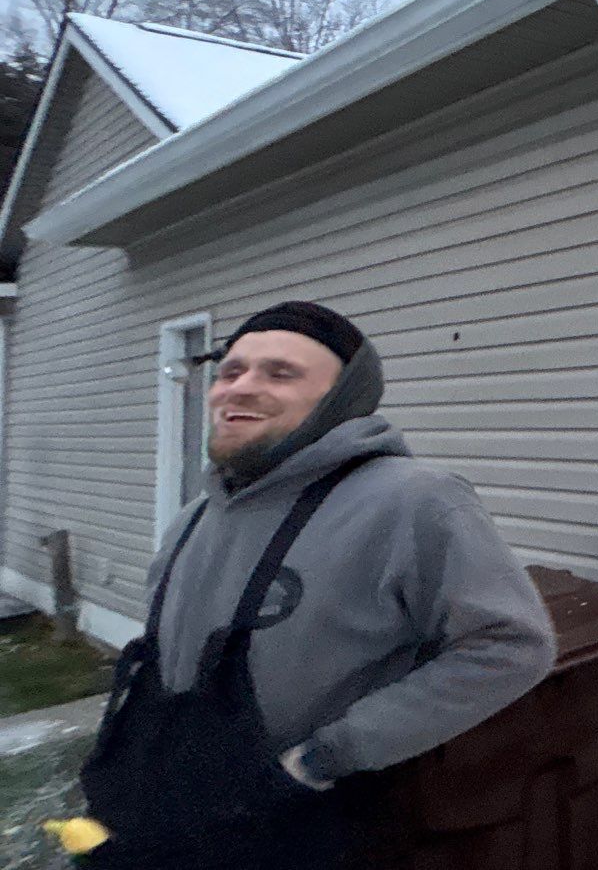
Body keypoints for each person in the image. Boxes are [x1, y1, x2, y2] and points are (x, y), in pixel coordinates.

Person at [79, 302, 556, 869]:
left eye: (280, 373)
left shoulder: (413, 502)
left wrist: (323, 758)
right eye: (231, 371)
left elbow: (510, 646)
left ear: (341, 399)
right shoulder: (194, 521)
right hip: (158, 826)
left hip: (300, 832)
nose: (240, 388)